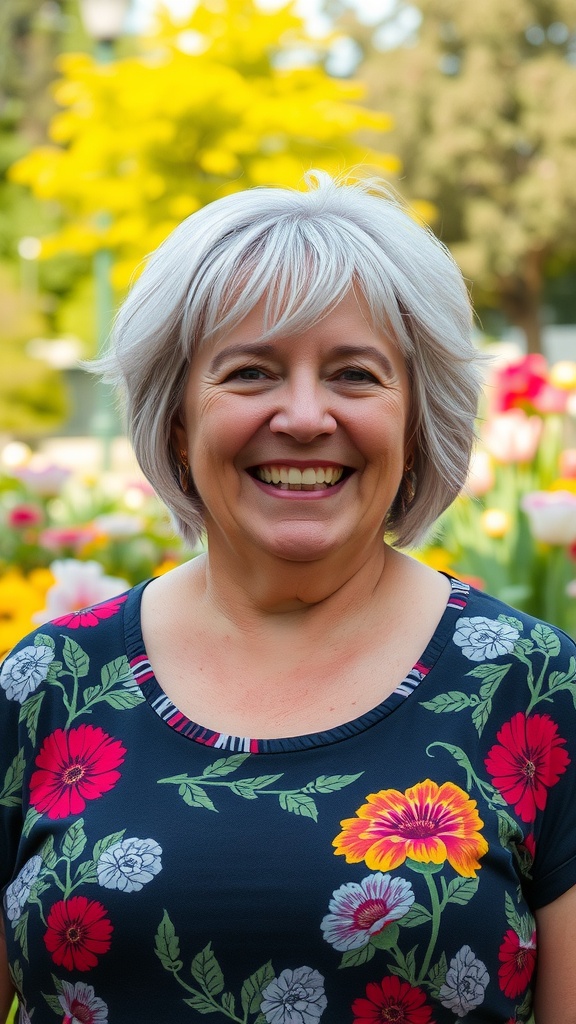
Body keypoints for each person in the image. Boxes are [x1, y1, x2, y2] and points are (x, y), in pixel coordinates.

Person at [1, 171, 575, 1024]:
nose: (305, 417)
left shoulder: (537, 689)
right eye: (250, 373)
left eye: (354, 374)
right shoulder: (50, 683)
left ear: (417, 422)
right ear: (176, 420)